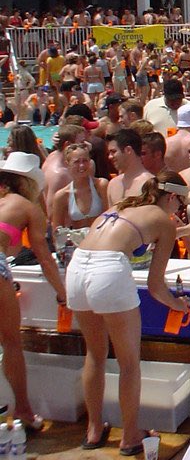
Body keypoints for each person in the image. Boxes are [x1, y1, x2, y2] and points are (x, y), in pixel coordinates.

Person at [66, 171, 190, 455]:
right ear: (171, 197)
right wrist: (178, 305)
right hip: (108, 271)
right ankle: (131, 435)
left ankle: (94, 429)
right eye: (179, 204)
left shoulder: (121, 207)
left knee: (95, 355)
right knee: (129, 362)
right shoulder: (164, 220)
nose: (179, 210)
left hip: (77, 267)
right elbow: (156, 286)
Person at [0, 152, 65, 433]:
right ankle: (24, 410)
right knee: (11, 343)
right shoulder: (27, 208)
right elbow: (45, 257)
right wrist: (63, 294)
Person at [50, 142, 109, 229]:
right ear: (67, 164)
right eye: (76, 162)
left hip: (101, 238)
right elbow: (57, 230)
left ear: (90, 162)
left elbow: (110, 217)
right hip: (77, 240)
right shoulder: (61, 196)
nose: (82, 165)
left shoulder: (101, 185)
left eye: (85, 161)